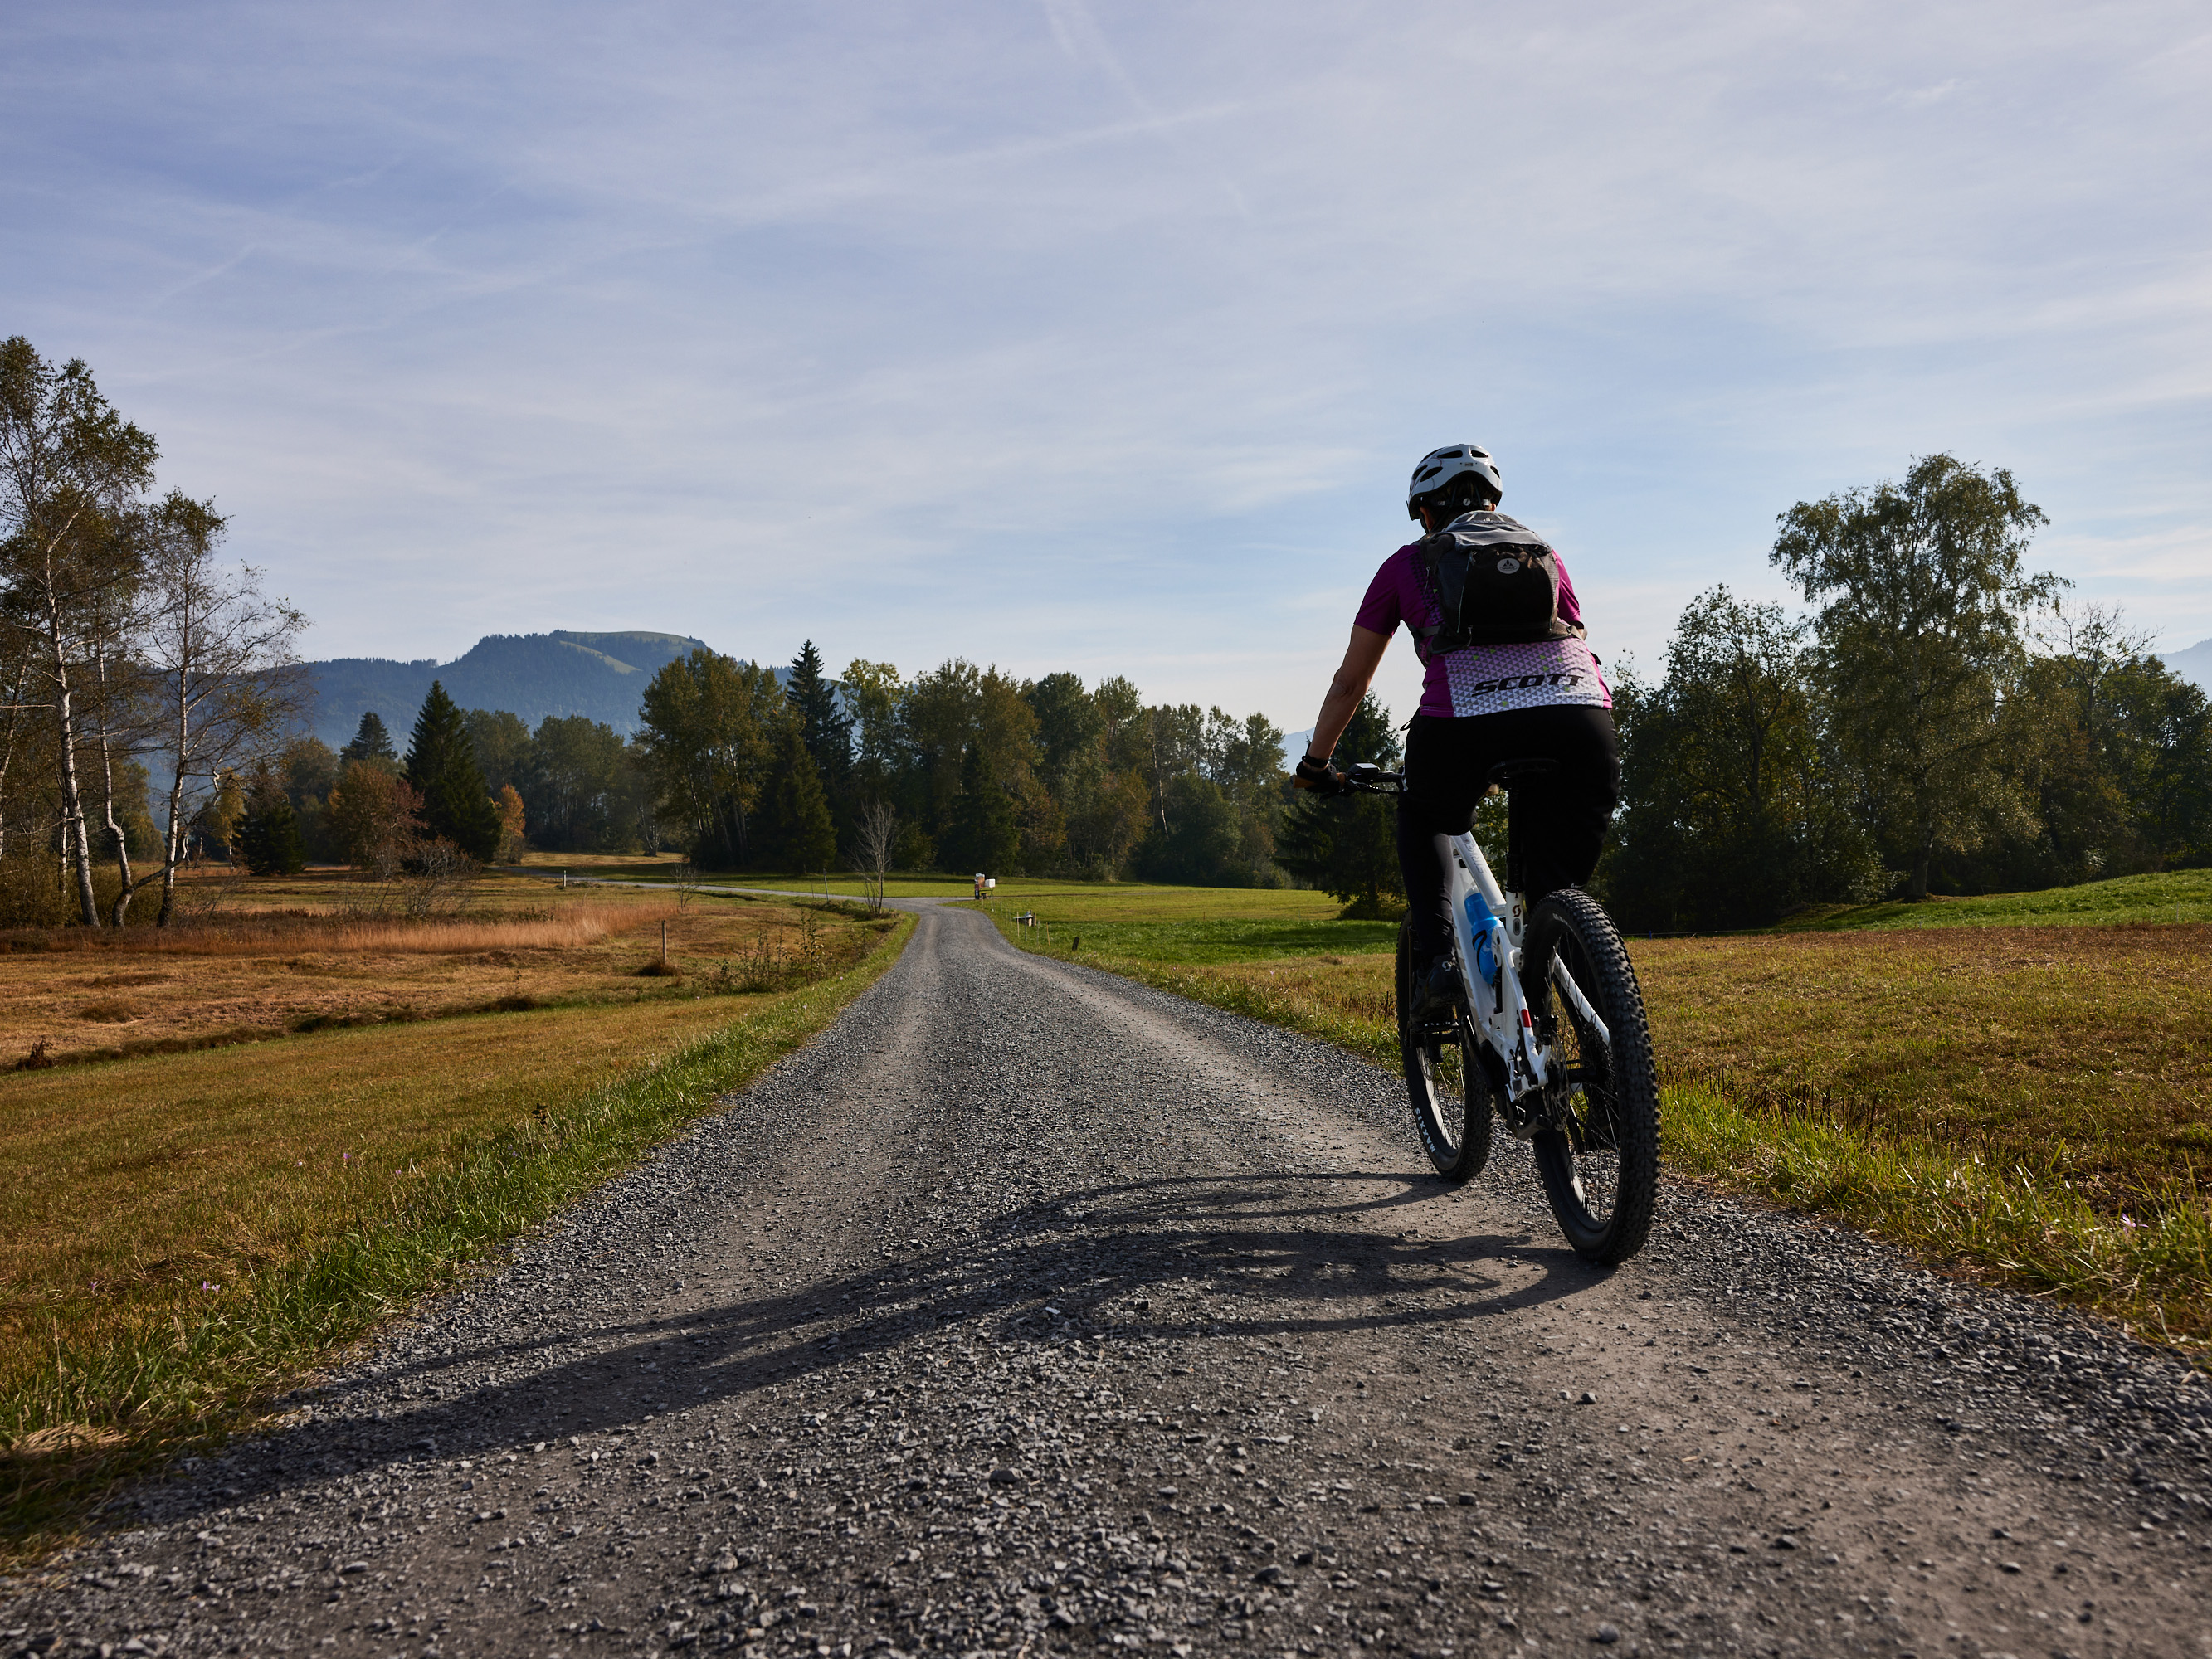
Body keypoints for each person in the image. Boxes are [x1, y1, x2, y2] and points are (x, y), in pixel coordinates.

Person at [1294, 444, 1619, 1019]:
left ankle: (1438, 963)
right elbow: (1575, 635)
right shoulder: (1544, 553)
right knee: (1555, 899)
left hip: (1464, 722)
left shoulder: (1406, 564)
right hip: (1581, 719)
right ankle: (1610, 1067)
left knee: (1425, 815)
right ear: (1493, 502)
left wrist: (1316, 766)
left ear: (1426, 512)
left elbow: (1350, 683)